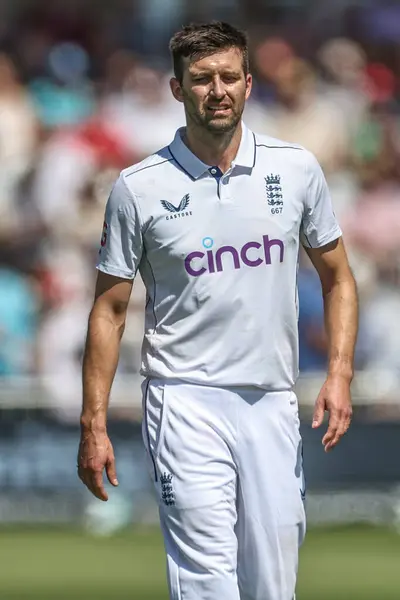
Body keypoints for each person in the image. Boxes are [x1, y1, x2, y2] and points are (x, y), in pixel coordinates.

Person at [77, 21, 358, 600]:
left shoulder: (296, 168)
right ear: (178, 89)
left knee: (272, 586)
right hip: (183, 400)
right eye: (202, 79)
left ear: (250, 84)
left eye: (230, 76)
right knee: (207, 582)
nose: (218, 90)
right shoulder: (139, 187)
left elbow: (339, 278)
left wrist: (339, 372)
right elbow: (109, 310)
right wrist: (94, 423)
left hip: (271, 400)